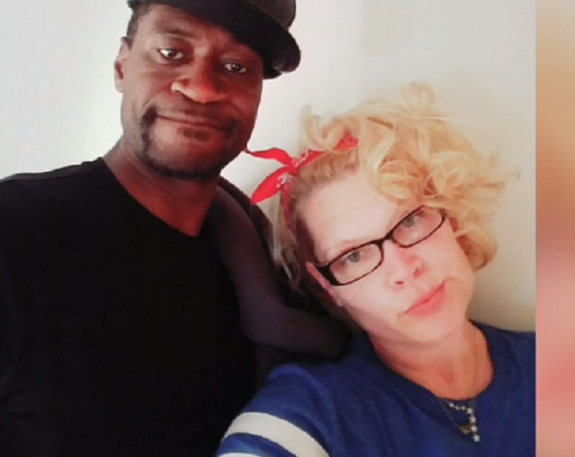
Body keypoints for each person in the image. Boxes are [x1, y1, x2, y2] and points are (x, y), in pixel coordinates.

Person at [0, 0, 346, 456]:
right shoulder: (5, 232)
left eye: (235, 66)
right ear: (122, 65)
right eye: (170, 53)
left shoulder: (263, 263)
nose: (201, 88)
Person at [217, 83, 535, 456]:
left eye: (410, 221)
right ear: (326, 285)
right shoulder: (318, 408)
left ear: (450, 216)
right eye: (354, 256)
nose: (404, 269)